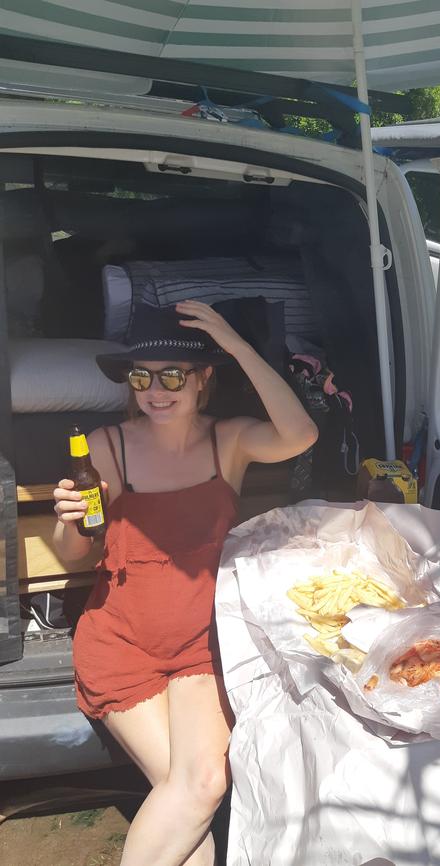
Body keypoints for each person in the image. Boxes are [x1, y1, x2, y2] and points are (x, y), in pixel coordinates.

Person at [52, 299, 318, 866]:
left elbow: (300, 434)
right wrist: (69, 521)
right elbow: (74, 553)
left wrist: (239, 345)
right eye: (141, 375)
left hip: (203, 645)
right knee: (194, 792)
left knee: (194, 790)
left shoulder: (230, 440)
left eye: (174, 374)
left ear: (203, 380)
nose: (156, 389)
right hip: (122, 643)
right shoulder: (108, 446)